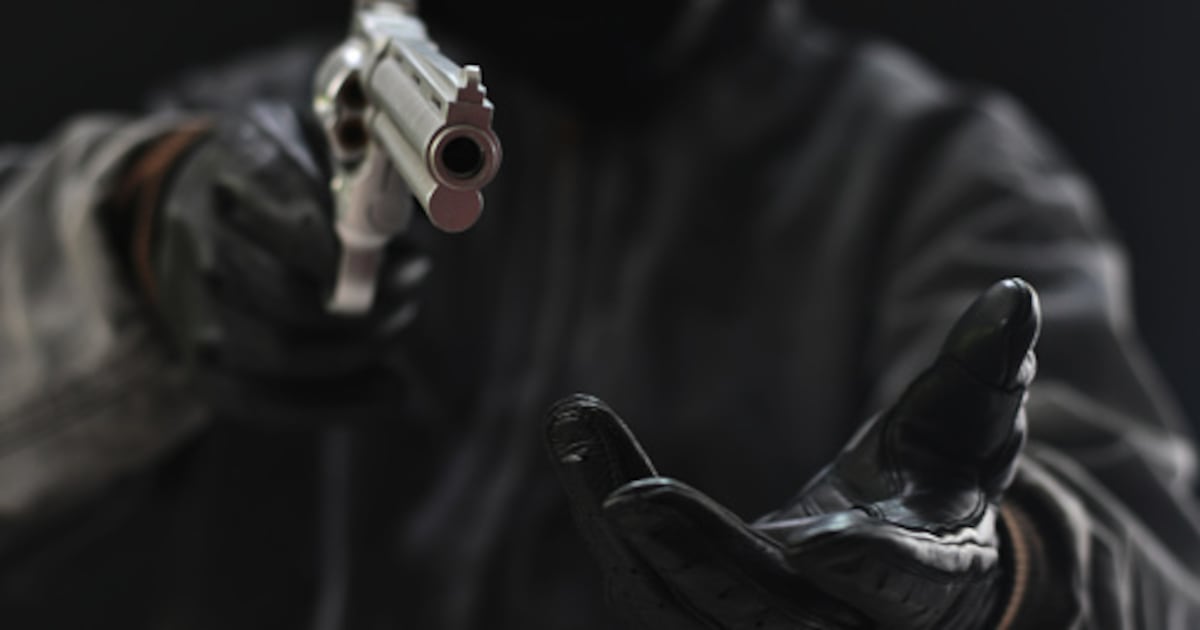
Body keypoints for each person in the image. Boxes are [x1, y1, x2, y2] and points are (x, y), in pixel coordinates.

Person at [1, 1, 1198, 628]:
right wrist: (125, 237)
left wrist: (1002, 573)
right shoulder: (264, 119)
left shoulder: (936, 175)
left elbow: (1152, 562)